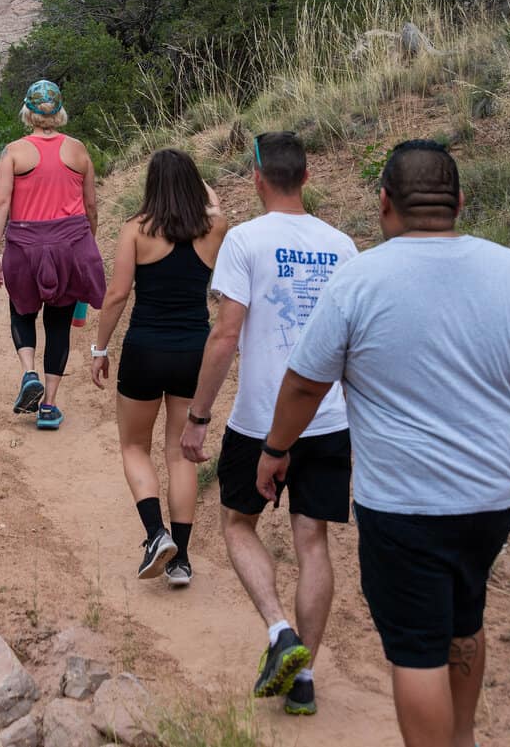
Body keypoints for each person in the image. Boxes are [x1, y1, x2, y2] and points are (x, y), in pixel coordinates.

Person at [257, 140, 510, 747]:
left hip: (405, 504)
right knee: (464, 619)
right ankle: (462, 737)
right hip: (492, 499)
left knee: (417, 649)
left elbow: (305, 385)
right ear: (460, 203)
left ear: (384, 202)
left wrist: (276, 449)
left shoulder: (359, 281)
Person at [181, 131, 357, 716]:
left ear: (257, 178)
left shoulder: (245, 240)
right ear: (306, 176)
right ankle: (304, 677)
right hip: (327, 417)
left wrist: (199, 415)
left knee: (237, 524)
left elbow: (225, 334)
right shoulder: (342, 246)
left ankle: (280, 631)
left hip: (260, 419)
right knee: (313, 541)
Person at [91, 149, 227, 584]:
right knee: (180, 452)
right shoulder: (214, 228)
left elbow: (117, 295)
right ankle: (181, 560)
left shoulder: (135, 229)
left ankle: (155, 535)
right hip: (193, 352)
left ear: (150, 185)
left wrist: (99, 348)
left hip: (145, 350)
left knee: (135, 447)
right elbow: (214, 204)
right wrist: (201, 191)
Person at [0, 79, 105, 430]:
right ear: (60, 111)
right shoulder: (79, 151)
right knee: (59, 323)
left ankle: (29, 373)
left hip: (25, 245)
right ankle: (49, 407)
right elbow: (91, 206)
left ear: (27, 111)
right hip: (70, 245)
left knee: (22, 310)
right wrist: (86, 245)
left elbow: (1, 203)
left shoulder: (13, 152)